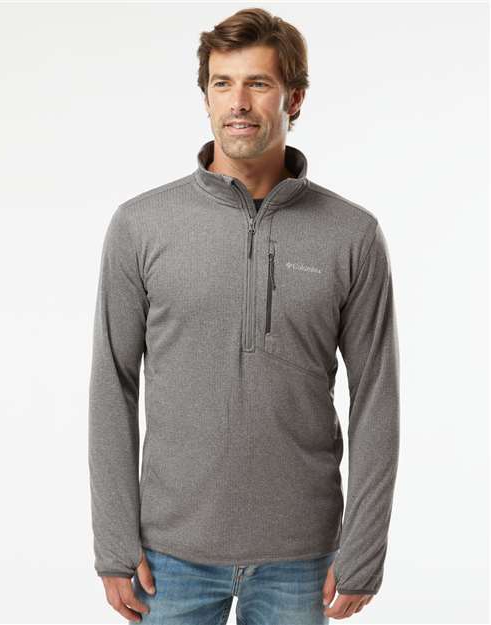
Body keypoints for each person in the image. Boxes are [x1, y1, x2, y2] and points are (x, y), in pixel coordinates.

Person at [88, 7, 400, 624]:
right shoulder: (140, 226)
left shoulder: (352, 234)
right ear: (205, 97)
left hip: (303, 557)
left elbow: (376, 397)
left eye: (258, 83)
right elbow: (112, 385)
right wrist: (114, 540)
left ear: (294, 98)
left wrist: (364, 547)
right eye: (222, 84)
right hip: (167, 556)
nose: (238, 103)